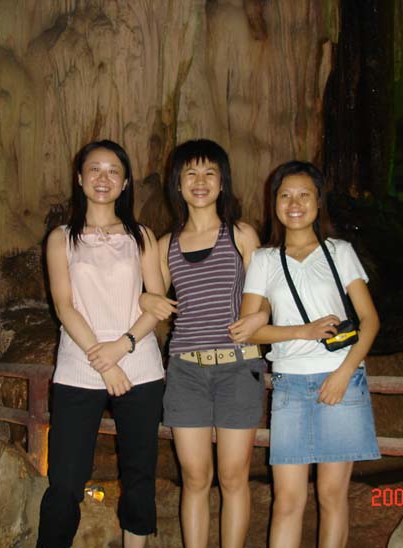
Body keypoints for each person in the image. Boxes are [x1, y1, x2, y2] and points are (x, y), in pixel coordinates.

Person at [229, 161, 380, 548]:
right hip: (290, 385)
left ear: (318, 201)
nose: (294, 204)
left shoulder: (339, 252)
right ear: (274, 203)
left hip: (341, 381)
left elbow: (370, 320)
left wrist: (344, 374)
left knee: (332, 495)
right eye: (285, 195)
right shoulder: (264, 259)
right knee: (287, 500)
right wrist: (302, 331)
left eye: (303, 195)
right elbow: (248, 329)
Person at [37, 140, 169, 548]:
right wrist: (104, 362)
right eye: (94, 169)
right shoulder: (61, 238)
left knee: (139, 475)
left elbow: (157, 302)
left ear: (125, 182)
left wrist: (122, 346)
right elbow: (64, 306)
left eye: (114, 171)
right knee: (65, 479)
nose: (103, 178)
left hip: (140, 366)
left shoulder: (141, 236)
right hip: (79, 368)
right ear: (80, 178)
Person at [140, 139, 268, 548]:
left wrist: (261, 316)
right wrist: (143, 299)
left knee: (233, 476)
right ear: (177, 184)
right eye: (190, 173)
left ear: (222, 182)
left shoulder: (242, 235)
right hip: (186, 369)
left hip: (238, 366)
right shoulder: (166, 245)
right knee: (194, 476)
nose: (200, 181)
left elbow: (269, 294)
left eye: (209, 173)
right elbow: (152, 301)